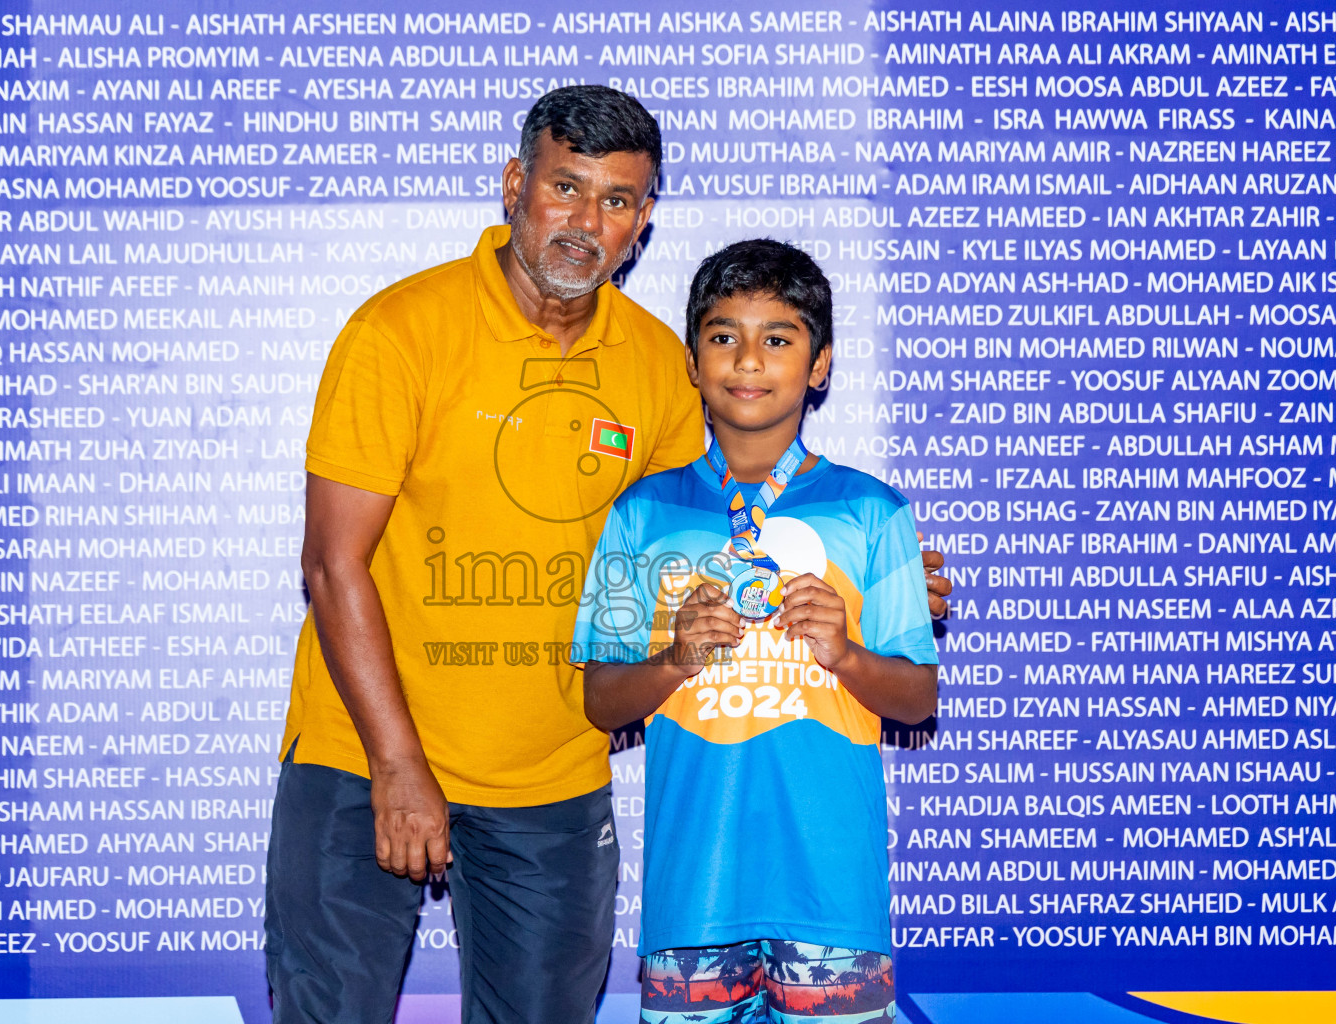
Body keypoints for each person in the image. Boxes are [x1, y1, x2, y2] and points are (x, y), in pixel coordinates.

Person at [265, 85, 950, 1023]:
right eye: (566, 188)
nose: (587, 222)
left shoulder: (659, 364)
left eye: (618, 200)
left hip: (553, 781)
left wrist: (886, 584)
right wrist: (396, 764)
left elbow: (720, 521)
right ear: (516, 185)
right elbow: (332, 566)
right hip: (364, 759)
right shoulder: (400, 331)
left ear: (644, 220)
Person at [574, 240, 939, 1023]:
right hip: (693, 899)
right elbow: (602, 701)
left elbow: (916, 699)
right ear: (691, 360)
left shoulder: (873, 512)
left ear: (820, 365)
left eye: (777, 339)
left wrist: (843, 653)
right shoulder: (640, 513)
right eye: (723, 336)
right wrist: (675, 657)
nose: (747, 360)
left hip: (831, 900)